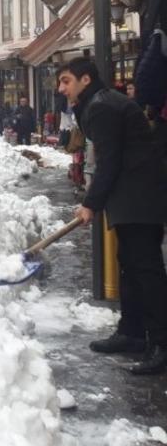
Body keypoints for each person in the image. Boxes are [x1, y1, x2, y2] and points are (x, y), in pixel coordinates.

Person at [58, 57, 167, 375]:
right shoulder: (97, 103)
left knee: (146, 271)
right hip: (132, 195)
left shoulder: (102, 107)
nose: (61, 88)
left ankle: (161, 342)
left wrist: (91, 203)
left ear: (85, 79)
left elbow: (110, 160)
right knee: (130, 266)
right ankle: (132, 333)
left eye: (66, 81)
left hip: (139, 196)